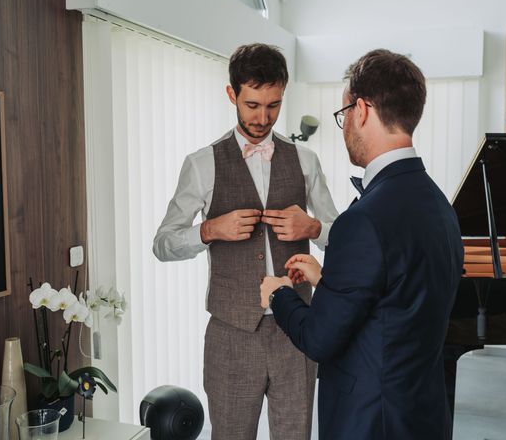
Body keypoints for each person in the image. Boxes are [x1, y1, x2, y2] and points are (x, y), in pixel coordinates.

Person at [260, 49, 464, 440]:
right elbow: (397, 300)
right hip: (423, 414)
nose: (344, 128)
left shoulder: (364, 220)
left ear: (363, 110)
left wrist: (279, 294)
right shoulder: (439, 203)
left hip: (371, 422)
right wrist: (329, 279)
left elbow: (318, 338)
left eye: (344, 115)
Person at [153, 43, 338, 440]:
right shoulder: (201, 164)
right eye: (252, 104)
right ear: (231, 94)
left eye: (273, 105)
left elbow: (341, 237)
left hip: (298, 331)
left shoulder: (306, 162)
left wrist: (312, 229)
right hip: (232, 335)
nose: (263, 117)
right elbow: (163, 243)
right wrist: (209, 230)